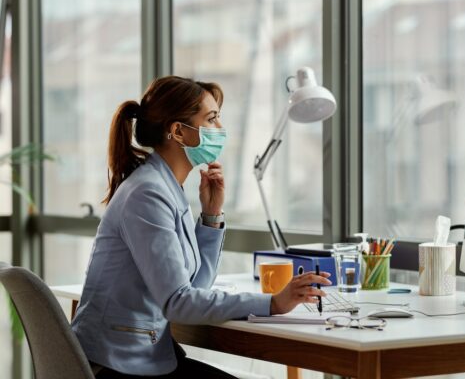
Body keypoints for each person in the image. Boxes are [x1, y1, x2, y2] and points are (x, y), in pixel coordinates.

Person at [71, 76, 331, 378]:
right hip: (117, 366)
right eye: (212, 119)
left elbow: (195, 288)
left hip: (143, 358)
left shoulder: (164, 186)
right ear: (179, 132)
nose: (220, 130)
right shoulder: (148, 194)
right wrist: (272, 302)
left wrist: (211, 215)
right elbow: (179, 302)